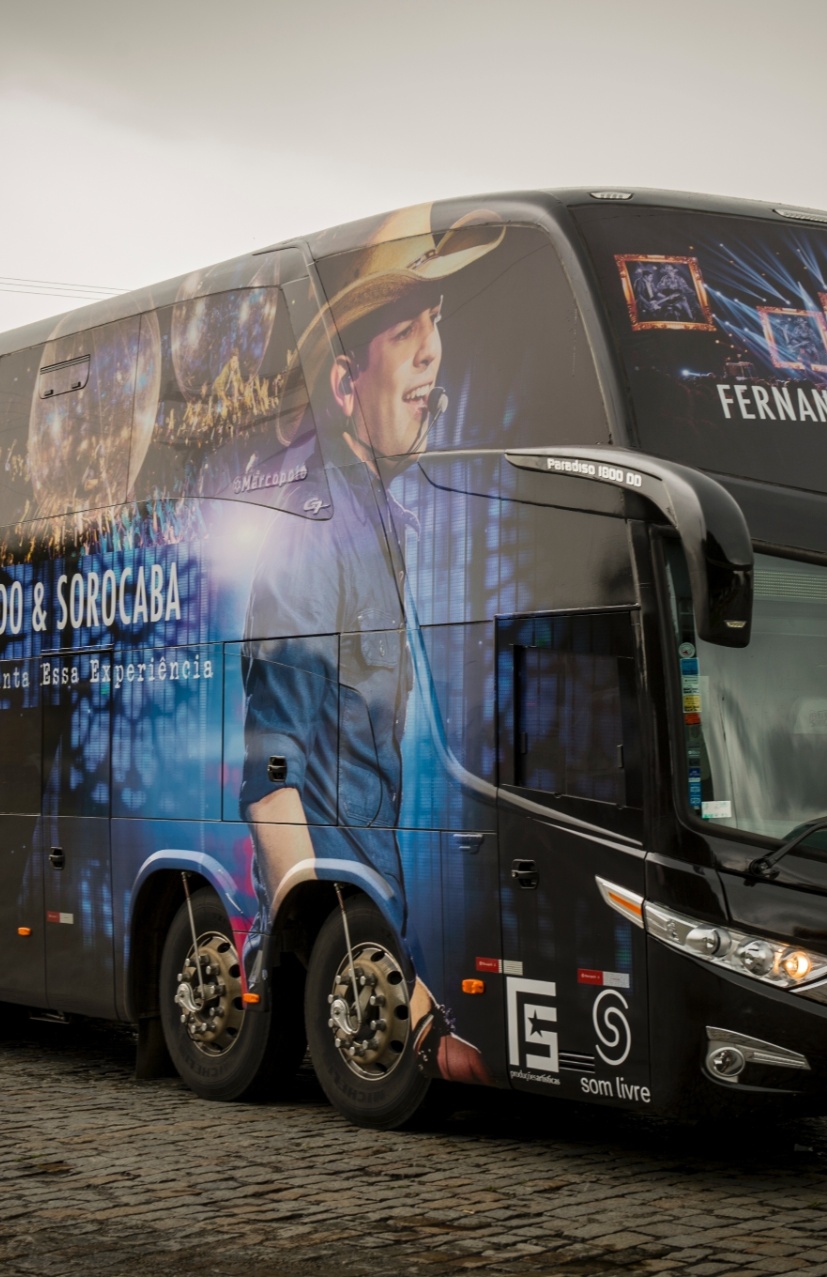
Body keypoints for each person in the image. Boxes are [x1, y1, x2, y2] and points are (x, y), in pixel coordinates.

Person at [240, 206, 504, 1085]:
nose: (433, 353)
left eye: (437, 324)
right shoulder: (317, 528)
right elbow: (272, 783)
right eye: (406, 329)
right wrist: (366, 990)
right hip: (354, 932)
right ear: (347, 384)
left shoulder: (380, 514)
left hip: (375, 920)